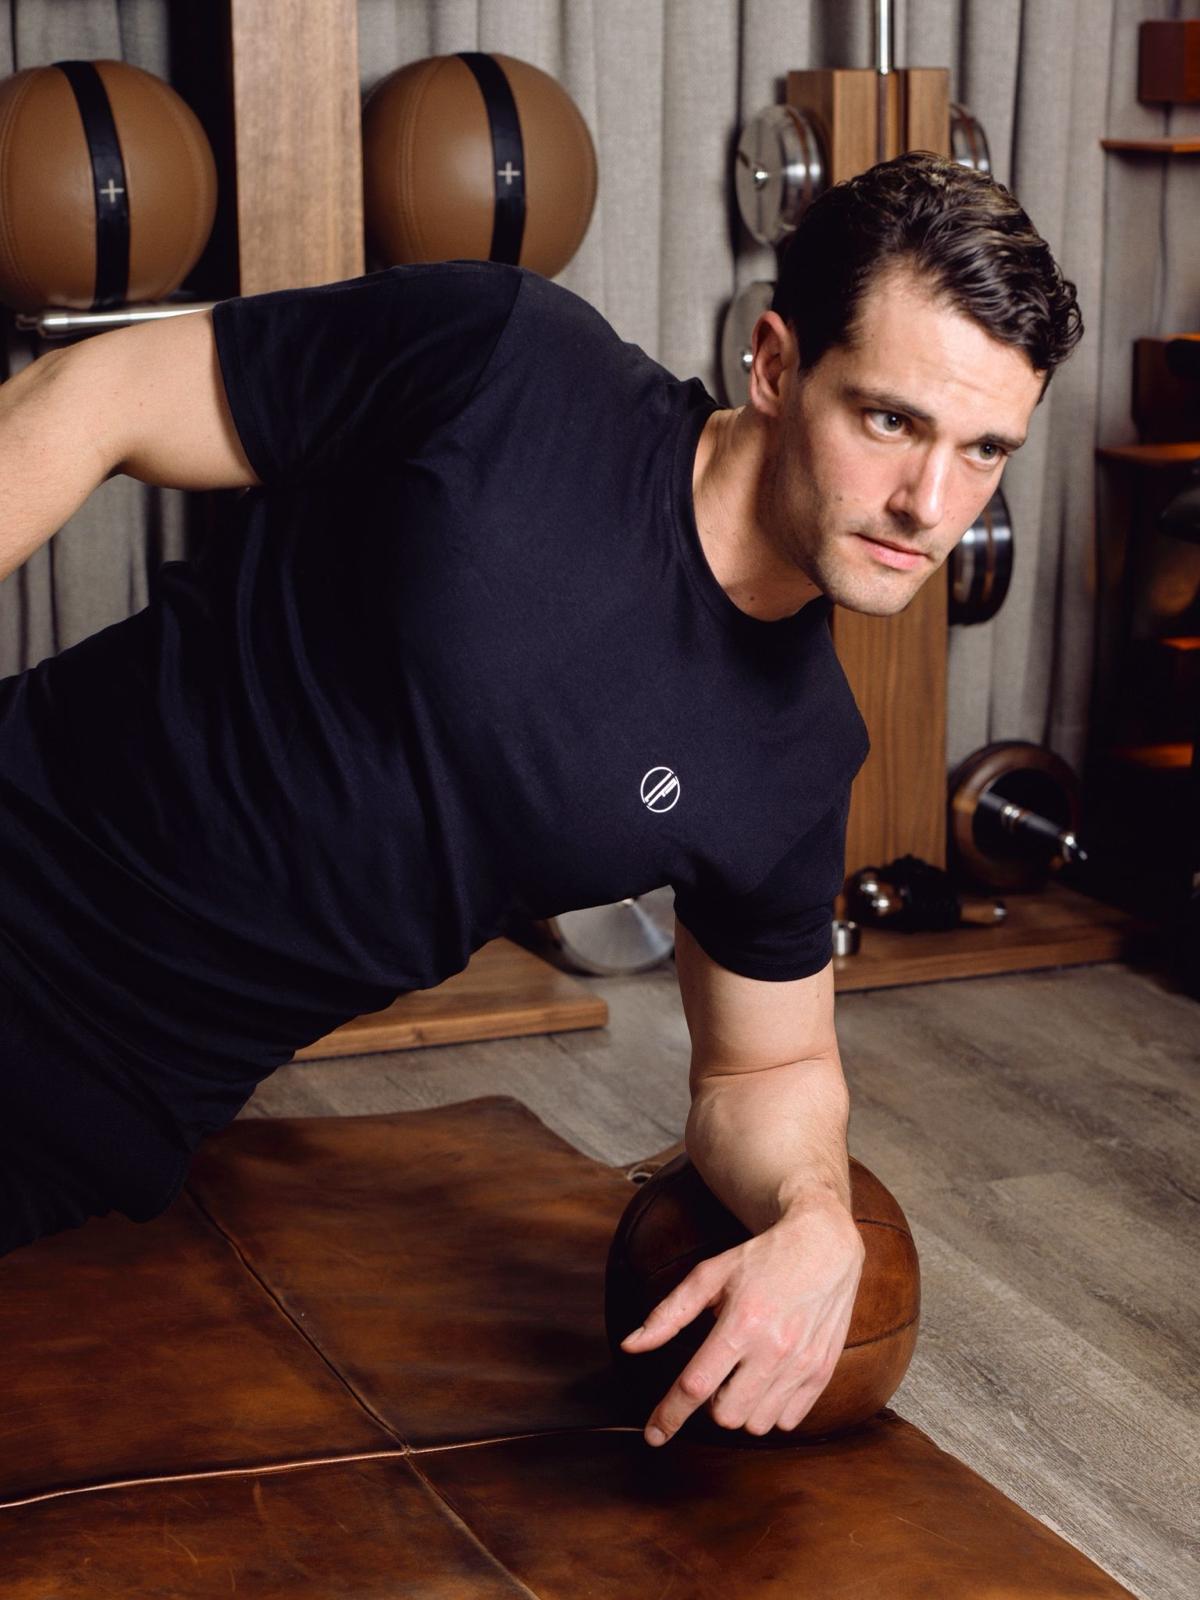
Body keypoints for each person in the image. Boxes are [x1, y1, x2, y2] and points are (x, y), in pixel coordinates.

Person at [0, 151, 1081, 1447]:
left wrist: (813, 1218)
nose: (932, 505)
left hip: (101, 1093)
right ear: (779, 366)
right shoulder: (508, 363)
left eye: (984, 454)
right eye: (892, 421)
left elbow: (769, 1064)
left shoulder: (795, 757)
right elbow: (97, 394)